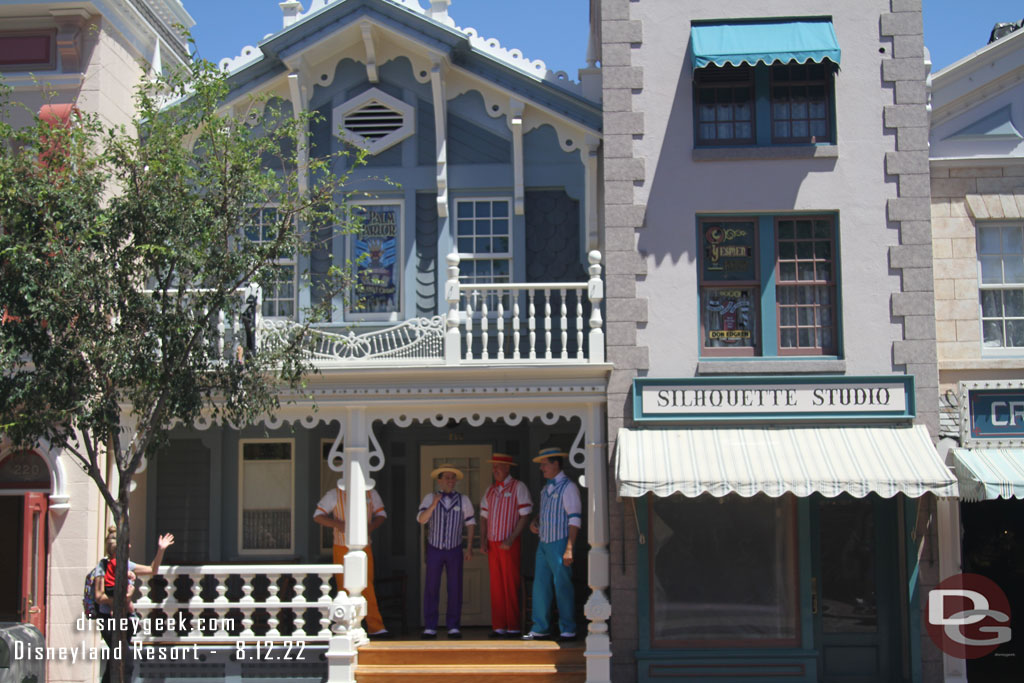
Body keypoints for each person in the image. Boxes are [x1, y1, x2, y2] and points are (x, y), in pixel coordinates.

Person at [95, 526, 174, 683]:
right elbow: (99, 596)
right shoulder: (103, 567)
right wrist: (124, 599)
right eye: (127, 544)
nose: (130, 546)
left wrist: (161, 550)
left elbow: (152, 569)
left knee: (114, 662)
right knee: (126, 662)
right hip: (110, 620)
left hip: (125, 619)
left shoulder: (126, 565)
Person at [314, 480, 390, 638]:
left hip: (364, 546)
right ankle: (346, 626)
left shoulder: (371, 493)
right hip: (341, 546)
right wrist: (337, 524)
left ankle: (375, 626)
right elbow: (318, 516)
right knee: (343, 586)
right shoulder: (334, 494)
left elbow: (381, 515)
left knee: (366, 585)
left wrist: (370, 527)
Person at [523, 447, 581, 642]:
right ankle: (540, 627)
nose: (541, 468)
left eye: (545, 464)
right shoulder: (546, 488)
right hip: (544, 542)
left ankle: (568, 628)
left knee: (562, 584)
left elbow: (574, 519)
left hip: (560, 542)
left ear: (556, 463)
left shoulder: (569, 487)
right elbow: (545, 512)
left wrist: (569, 548)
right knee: (540, 585)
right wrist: (534, 521)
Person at [417, 464, 476, 639]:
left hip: (454, 548)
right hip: (435, 548)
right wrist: (434, 504)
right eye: (447, 478)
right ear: (439, 480)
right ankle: (430, 626)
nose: (450, 481)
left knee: (455, 587)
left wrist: (470, 547)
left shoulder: (463, 500)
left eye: (453, 478)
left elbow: (470, 523)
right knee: (431, 587)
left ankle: (453, 626)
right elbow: (421, 520)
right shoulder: (430, 498)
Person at [479, 453, 532, 638]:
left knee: (510, 584)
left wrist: (512, 538)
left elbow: (525, 515)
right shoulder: (490, 490)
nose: (495, 470)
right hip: (493, 544)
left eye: (498, 467)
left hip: (510, 543)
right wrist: (483, 539)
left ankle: (513, 627)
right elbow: (483, 517)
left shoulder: (518, 487)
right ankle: (499, 626)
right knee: (496, 585)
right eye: (493, 467)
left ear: (508, 468)